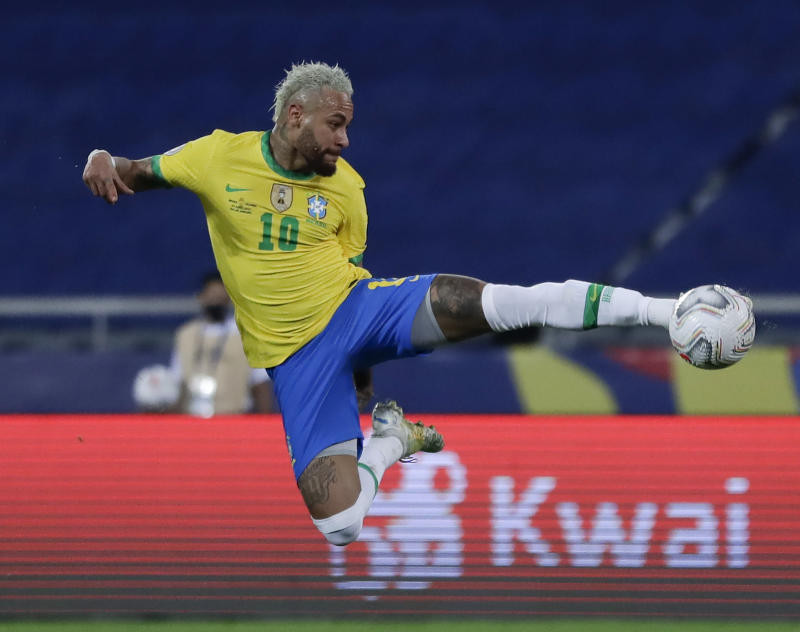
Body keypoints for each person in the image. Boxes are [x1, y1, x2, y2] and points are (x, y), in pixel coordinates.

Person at [82, 61, 686, 547]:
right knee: (340, 527)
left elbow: (351, 267)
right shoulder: (218, 157)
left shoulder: (347, 188)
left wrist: (363, 357)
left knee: (501, 302)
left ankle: (671, 311)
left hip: (354, 310)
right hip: (294, 358)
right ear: (296, 116)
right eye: (335, 124)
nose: (345, 140)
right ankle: (393, 439)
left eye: (349, 127)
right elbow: (136, 171)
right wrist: (105, 159)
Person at [170, 271, 274, 417]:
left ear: (229, 299)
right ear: (200, 298)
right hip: (192, 417)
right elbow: (178, 382)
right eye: (211, 297)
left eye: (220, 298)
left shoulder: (246, 334)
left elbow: (260, 383)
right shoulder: (185, 335)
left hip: (233, 417)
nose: (216, 303)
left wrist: (265, 424)